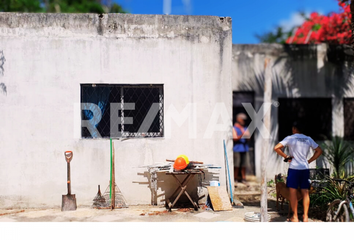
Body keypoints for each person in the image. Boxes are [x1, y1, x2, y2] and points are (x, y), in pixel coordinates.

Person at [274, 122, 322, 222]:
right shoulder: (308, 139)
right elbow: (319, 151)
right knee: (305, 192)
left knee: (293, 192)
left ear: (294, 129)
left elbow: (276, 148)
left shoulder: (290, 138)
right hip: (304, 168)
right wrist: (309, 161)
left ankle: (295, 216)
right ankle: (305, 216)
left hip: (294, 168)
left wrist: (286, 156)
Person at [233, 113, 251, 187]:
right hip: (237, 149)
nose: (244, 121)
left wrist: (244, 134)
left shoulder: (245, 128)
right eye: (242, 119)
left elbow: (248, 137)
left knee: (244, 164)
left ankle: (243, 178)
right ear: (238, 119)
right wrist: (242, 134)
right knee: (236, 165)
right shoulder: (234, 128)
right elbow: (235, 138)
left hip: (244, 148)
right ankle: (235, 179)